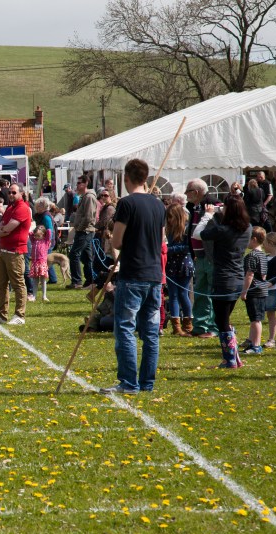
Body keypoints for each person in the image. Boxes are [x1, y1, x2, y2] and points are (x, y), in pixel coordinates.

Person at [99, 158, 166, 394]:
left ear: (126, 178)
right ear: (145, 178)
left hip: (133, 274)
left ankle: (129, 382)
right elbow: (161, 239)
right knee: (150, 333)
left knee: (125, 328)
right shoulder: (159, 205)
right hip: (154, 275)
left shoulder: (126, 204)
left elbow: (117, 241)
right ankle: (147, 382)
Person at [198, 194, 251, 368]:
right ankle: (234, 357)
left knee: (221, 322)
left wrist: (207, 215)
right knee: (225, 320)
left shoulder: (222, 230)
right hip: (237, 279)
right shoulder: (248, 228)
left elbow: (198, 234)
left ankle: (229, 360)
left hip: (223, 279)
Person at [0, 183, 33, 325]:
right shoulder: (10, 208)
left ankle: (19, 315)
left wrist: (0, 232)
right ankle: (2, 314)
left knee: (18, 284)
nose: (10, 195)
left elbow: (8, 228)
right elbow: (1, 225)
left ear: (21, 194)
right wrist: (1, 230)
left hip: (15, 252)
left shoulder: (23, 208)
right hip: (3, 251)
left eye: (14, 192)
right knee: (1, 283)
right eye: (10, 192)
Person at [186, 178, 219, 337]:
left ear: (196, 192)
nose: (186, 195)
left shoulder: (213, 204)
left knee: (212, 293)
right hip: (199, 256)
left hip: (211, 256)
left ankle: (212, 328)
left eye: (188, 191)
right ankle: (200, 326)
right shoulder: (196, 206)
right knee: (200, 292)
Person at [163, 203, 194, 337]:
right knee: (173, 295)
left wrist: (168, 249)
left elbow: (187, 247)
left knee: (183, 293)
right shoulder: (169, 230)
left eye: (171, 217)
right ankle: (176, 326)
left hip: (184, 264)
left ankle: (188, 324)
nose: (169, 220)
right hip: (171, 265)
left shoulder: (187, 229)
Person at [239, 227, 269, 355]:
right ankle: (252, 342)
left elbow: (249, 275)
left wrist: (244, 291)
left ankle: (256, 346)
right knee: (254, 318)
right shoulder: (262, 254)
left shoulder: (251, 256)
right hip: (262, 290)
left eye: (248, 240)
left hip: (254, 291)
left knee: (256, 319)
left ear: (254, 240)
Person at [68, 176, 97, 289]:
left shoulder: (89, 197)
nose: (77, 185)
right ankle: (90, 281)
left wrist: (80, 227)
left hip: (85, 231)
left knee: (74, 254)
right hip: (85, 230)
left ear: (85, 184)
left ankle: (77, 281)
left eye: (79, 183)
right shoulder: (84, 197)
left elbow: (89, 216)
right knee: (86, 257)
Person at [28, 224, 51, 302]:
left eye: (38, 235)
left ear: (43, 235)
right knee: (35, 280)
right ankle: (34, 296)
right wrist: (35, 231)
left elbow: (49, 231)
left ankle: (44, 296)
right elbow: (30, 234)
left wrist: (41, 229)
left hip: (42, 263)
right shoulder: (34, 241)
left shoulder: (46, 241)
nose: (36, 237)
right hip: (35, 262)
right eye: (35, 235)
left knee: (43, 280)